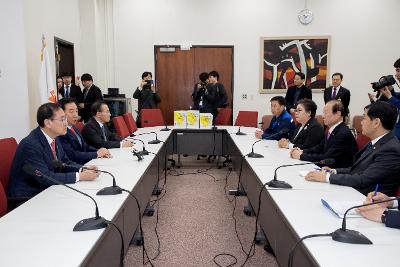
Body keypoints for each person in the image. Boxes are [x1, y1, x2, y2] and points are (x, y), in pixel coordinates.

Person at [305, 101, 400, 196]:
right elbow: (357, 170)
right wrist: (334, 171)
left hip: (367, 201)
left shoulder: (390, 149)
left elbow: (363, 179)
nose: (361, 122)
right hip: (354, 192)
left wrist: (327, 177)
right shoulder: (376, 142)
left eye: (364, 118)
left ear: (376, 123)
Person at [7, 103, 99, 199]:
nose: (66, 123)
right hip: (27, 197)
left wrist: (83, 169)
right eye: (62, 119)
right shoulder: (30, 145)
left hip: (48, 190)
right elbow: (45, 177)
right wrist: (79, 176)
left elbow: (65, 163)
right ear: (48, 123)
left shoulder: (55, 137)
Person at [290, 100, 357, 168]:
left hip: (338, 172)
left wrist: (301, 156)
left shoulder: (343, 133)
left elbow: (327, 157)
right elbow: (320, 147)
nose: (323, 116)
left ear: (338, 114)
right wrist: (302, 151)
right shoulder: (332, 130)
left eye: (326, 112)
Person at [58, 98, 111, 165]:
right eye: (71, 112)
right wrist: (96, 154)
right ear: (61, 113)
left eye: (76, 111)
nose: (76, 115)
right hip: (77, 166)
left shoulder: (74, 127)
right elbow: (72, 155)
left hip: (87, 163)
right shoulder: (60, 132)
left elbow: (85, 146)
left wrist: (99, 151)